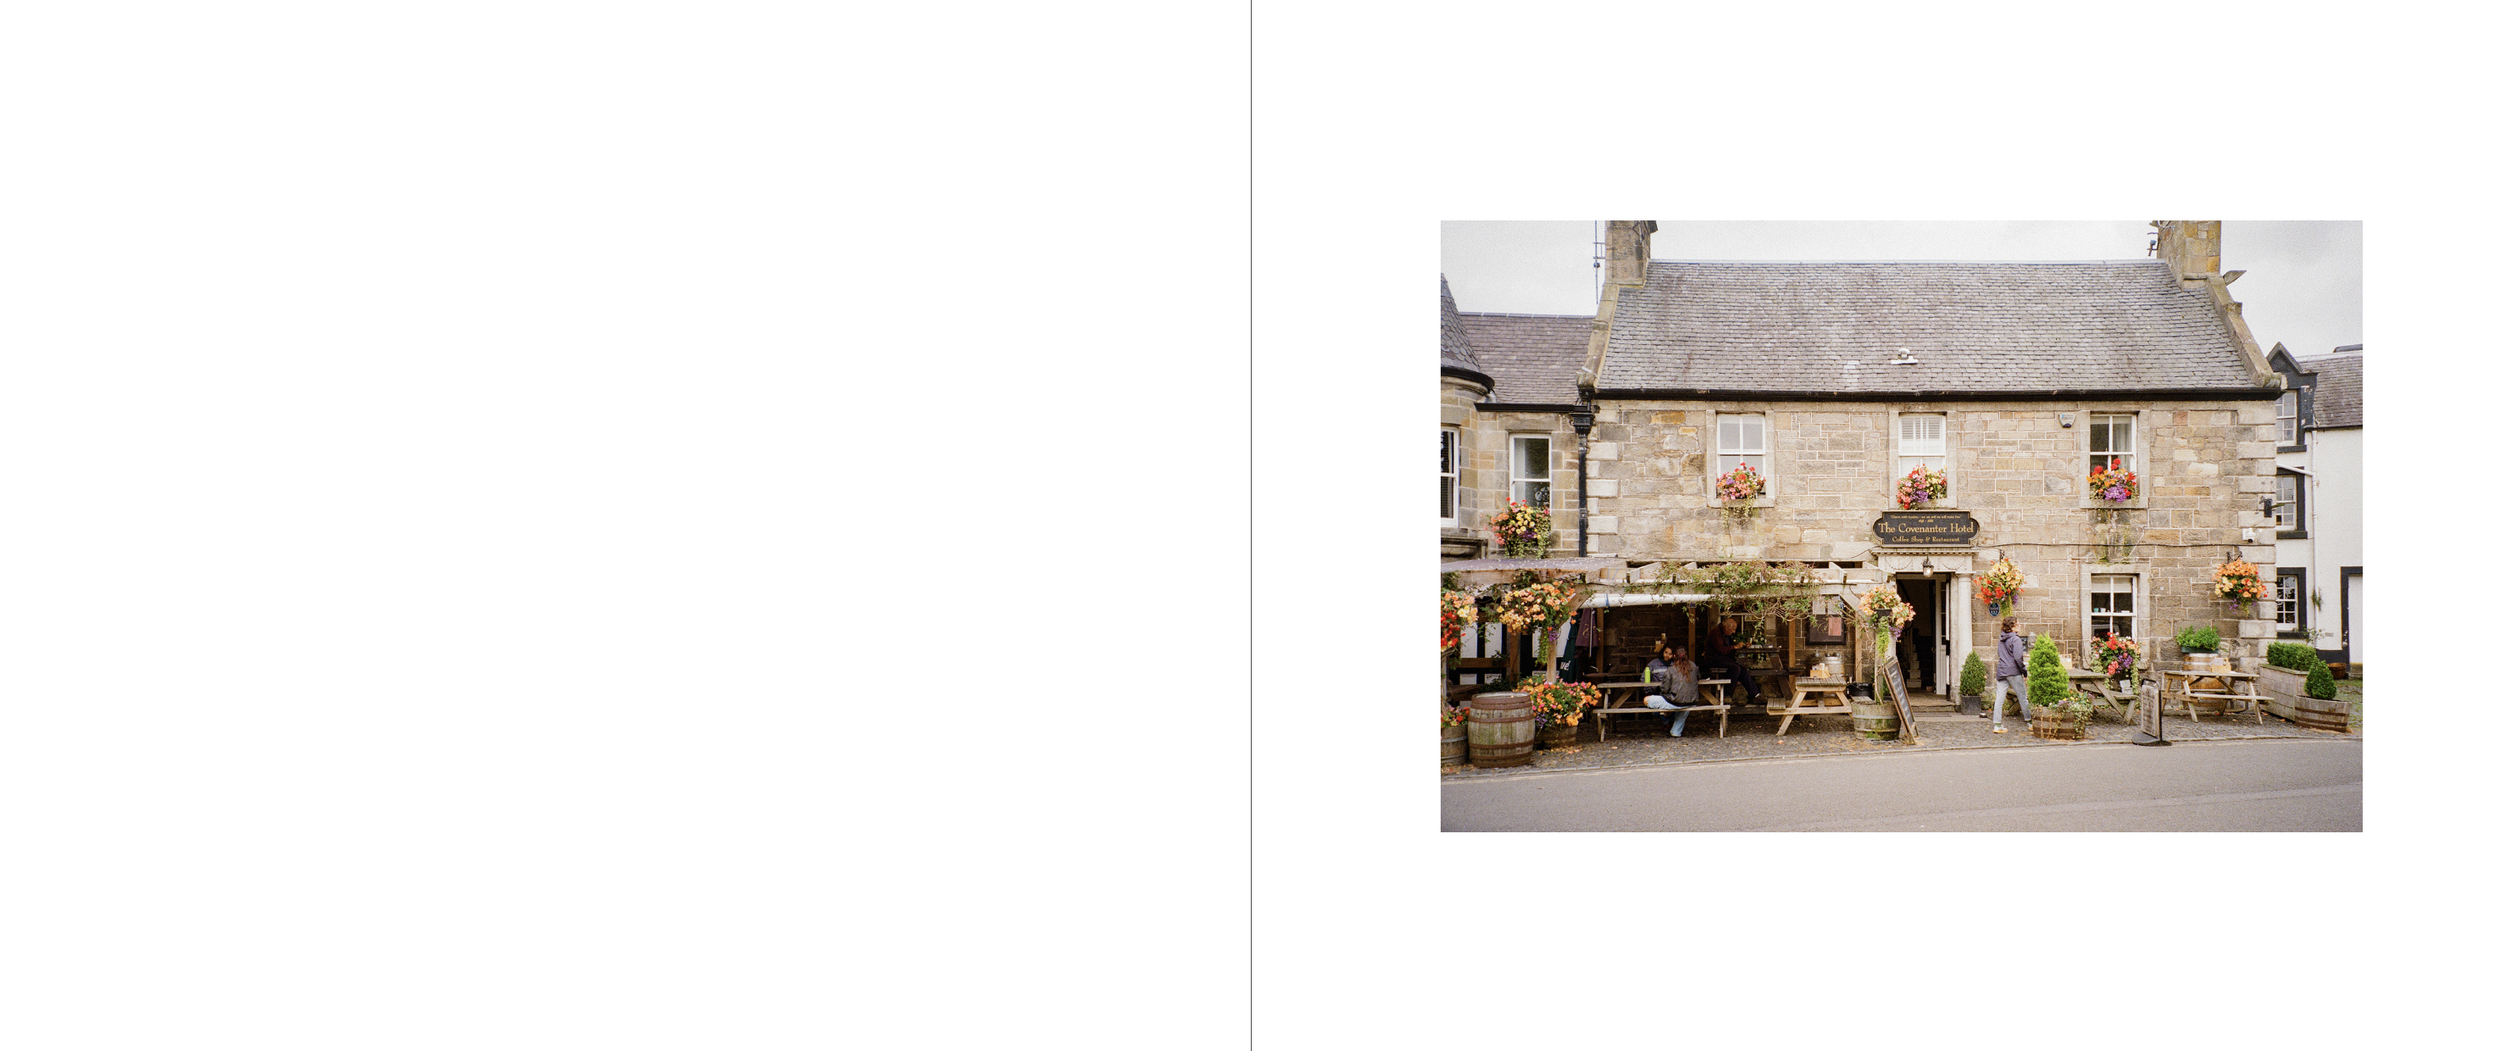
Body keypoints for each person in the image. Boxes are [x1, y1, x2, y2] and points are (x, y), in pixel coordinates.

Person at [1700, 614, 1764, 704]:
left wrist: (1743, 645)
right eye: (1733, 629)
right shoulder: (1716, 633)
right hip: (1713, 660)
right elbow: (1722, 650)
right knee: (1735, 668)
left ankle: (1755, 695)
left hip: (1723, 659)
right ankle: (1727, 695)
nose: (1734, 632)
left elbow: (1730, 645)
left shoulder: (1725, 633)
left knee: (1743, 670)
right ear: (1726, 627)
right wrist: (1735, 647)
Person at [1643, 644, 1704, 736]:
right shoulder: (1694, 666)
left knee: (1646, 700)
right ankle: (1675, 731)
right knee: (1684, 705)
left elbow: (1664, 689)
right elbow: (1698, 677)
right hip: (1691, 701)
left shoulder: (1671, 670)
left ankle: (1667, 719)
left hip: (1675, 701)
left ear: (1674, 656)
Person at [1993, 615, 2031, 733]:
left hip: (2002, 670)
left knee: (1999, 698)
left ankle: (1997, 725)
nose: (2020, 626)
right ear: (2012, 627)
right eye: (2017, 624)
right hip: (2013, 671)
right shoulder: (2016, 639)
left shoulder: (2001, 639)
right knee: (2022, 697)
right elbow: (2018, 658)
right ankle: (2030, 722)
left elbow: (2000, 654)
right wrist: (2024, 672)